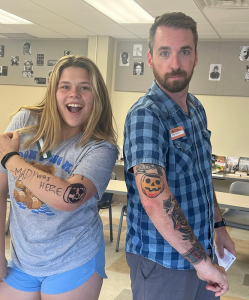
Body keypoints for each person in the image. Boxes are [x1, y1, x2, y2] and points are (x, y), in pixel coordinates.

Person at [123, 12, 236, 300]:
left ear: (196, 56)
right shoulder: (146, 115)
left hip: (202, 256)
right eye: (164, 52)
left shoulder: (196, 109)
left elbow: (202, 177)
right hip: (163, 263)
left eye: (184, 51)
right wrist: (202, 263)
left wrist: (219, 226)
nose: (175, 64)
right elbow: (153, 197)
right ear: (150, 58)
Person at [0, 55, 118, 299]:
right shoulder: (26, 122)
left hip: (73, 256)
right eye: (65, 86)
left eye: (84, 88)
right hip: (23, 258)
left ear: (96, 96)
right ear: (53, 92)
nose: (74, 94)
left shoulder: (101, 147)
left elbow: (68, 198)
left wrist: (11, 159)